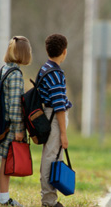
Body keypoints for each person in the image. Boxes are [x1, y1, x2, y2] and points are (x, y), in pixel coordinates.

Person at [0, 36, 32, 206]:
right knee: (6, 161)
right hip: (11, 125)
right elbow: (16, 104)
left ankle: (4, 196)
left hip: (4, 122)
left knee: (4, 160)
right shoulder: (16, 74)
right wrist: (19, 129)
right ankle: (4, 198)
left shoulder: (5, 69)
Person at [38, 34, 72, 207]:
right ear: (64, 51)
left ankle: (51, 198)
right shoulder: (56, 74)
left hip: (48, 116)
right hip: (54, 119)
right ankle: (49, 201)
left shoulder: (45, 68)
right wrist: (63, 134)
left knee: (51, 157)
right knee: (51, 159)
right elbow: (59, 106)